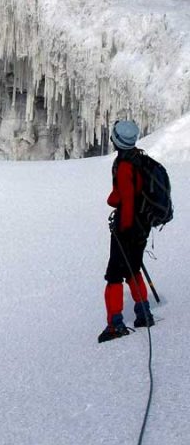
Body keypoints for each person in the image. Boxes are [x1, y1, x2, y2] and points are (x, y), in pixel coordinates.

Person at [98, 119, 155, 343]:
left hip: (128, 228)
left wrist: (123, 230)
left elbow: (127, 199)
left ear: (116, 140)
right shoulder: (139, 159)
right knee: (132, 269)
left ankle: (115, 325)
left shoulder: (123, 166)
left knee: (114, 275)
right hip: (142, 226)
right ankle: (144, 313)